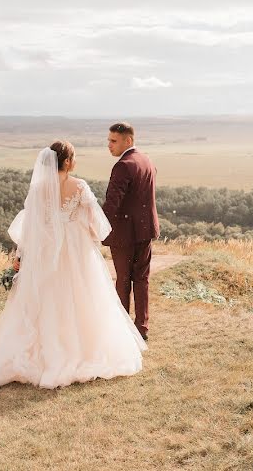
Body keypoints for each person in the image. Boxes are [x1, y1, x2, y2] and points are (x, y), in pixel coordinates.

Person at [0, 141, 147, 388]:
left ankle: (43, 353)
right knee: (81, 297)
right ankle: (81, 351)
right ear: (67, 161)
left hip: (44, 252)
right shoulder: (79, 186)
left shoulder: (38, 189)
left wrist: (22, 255)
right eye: (74, 157)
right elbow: (97, 226)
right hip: (76, 251)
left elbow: (30, 227)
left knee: (48, 298)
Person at [102, 122, 160, 341]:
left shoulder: (123, 165)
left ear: (129, 140)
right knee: (142, 279)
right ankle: (141, 327)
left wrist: (97, 228)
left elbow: (111, 204)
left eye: (113, 141)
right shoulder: (146, 160)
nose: (109, 145)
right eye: (108, 140)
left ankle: (123, 327)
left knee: (124, 280)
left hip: (125, 234)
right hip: (145, 230)